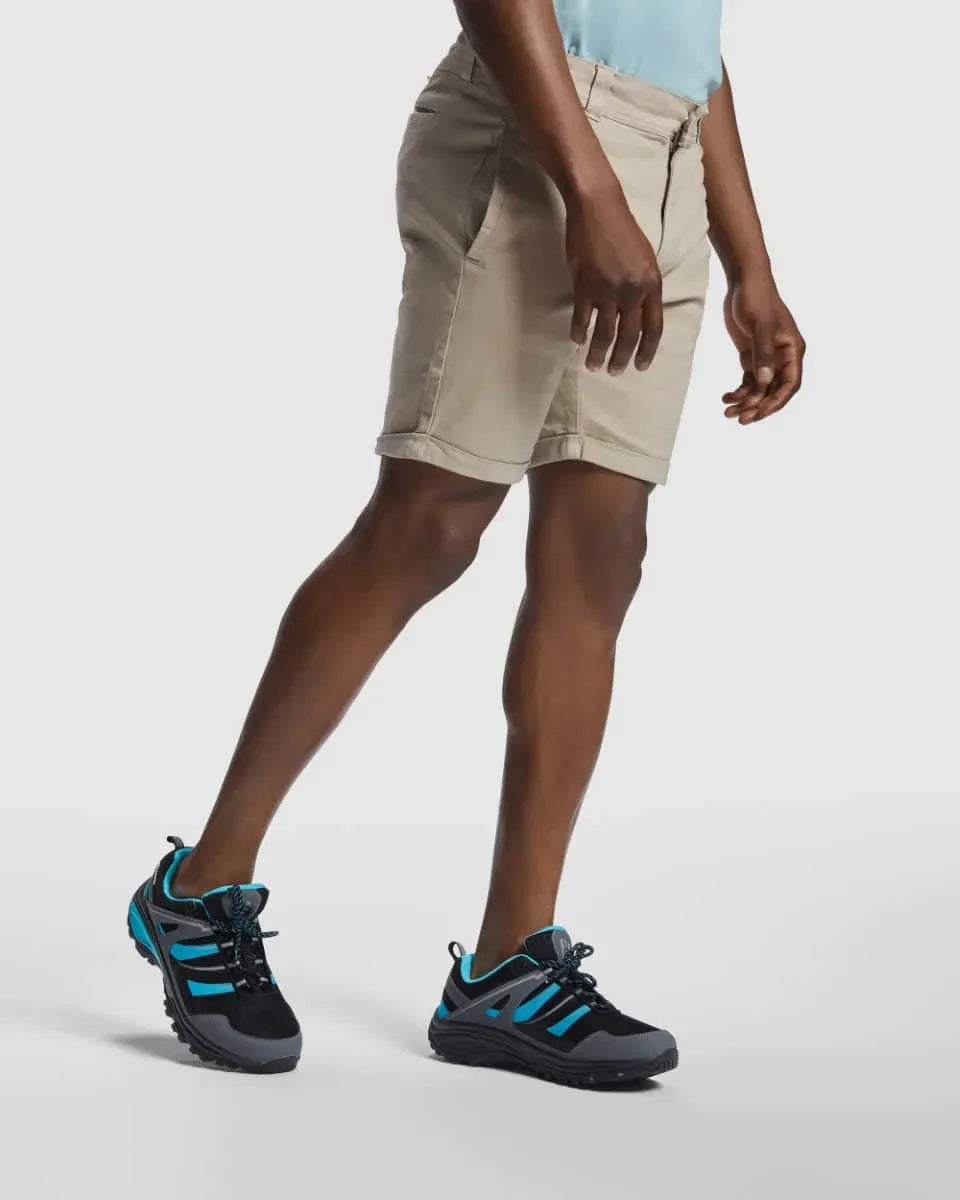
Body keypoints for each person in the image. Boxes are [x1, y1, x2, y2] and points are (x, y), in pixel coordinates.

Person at [126, 0, 805, 1083]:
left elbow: (691, 33)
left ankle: (508, 969)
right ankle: (199, 889)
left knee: (601, 549)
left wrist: (749, 261)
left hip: (670, 150)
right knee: (432, 520)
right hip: (541, 130)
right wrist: (591, 189)